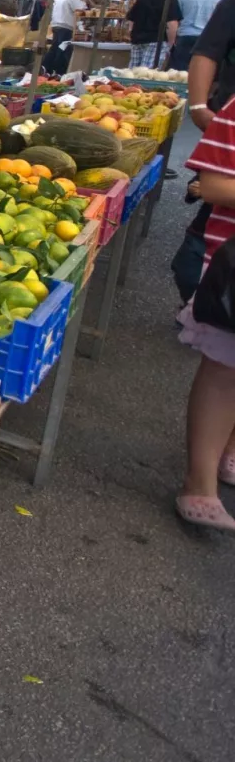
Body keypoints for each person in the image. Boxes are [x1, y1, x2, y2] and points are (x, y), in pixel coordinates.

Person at [171, 98, 235, 531]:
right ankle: (200, 483)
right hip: (233, 277)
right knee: (224, 369)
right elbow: (211, 186)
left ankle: (230, 453)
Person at [126, 0, 181, 70]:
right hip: (157, 41)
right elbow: (172, 25)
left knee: (133, 71)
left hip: (137, 39)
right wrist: (171, 44)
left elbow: (131, 21)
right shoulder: (171, 0)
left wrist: (133, 34)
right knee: (148, 73)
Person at [172, 0, 223, 72]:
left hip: (187, 36)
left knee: (180, 72)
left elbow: (177, 19)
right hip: (212, 38)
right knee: (207, 72)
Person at [42, 0, 87, 76]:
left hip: (56, 25)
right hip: (66, 26)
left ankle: (46, 67)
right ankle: (58, 71)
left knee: (55, 47)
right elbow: (80, 10)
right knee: (62, 48)